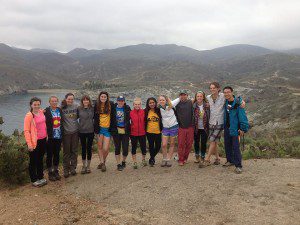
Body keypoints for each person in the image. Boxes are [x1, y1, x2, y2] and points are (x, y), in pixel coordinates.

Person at [201, 82, 245, 167]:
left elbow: (233, 98)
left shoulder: (223, 96)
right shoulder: (208, 98)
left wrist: (242, 101)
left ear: (218, 88)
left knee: (212, 140)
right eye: (211, 88)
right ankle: (218, 159)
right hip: (211, 122)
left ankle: (207, 159)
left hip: (220, 122)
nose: (212, 89)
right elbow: (199, 100)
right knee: (217, 142)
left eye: (214, 88)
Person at [223, 86, 249, 174]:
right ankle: (230, 160)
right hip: (227, 127)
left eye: (228, 92)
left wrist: (242, 128)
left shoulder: (238, 103)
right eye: (225, 92)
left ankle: (238, 166)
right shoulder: (226, 101)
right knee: (227, 145)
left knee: (235, 146)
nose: (226, 94)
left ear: (232, 92)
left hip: (235, 128)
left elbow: (242, 116)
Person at [24, 97, 48, 187]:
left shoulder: (41, 112)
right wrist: (29, 144)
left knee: (40, 159)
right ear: (31, 105)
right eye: (35, 104)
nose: (37, 106)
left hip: (43, 139)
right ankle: (34, 179)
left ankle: (40, 176)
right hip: (34, 141)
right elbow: (26, 130)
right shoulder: (29, 115)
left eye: (38, 104)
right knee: (33, 161)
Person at [94, 91, 115, 172]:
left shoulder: (111, 104)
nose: (103, 98)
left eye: (104, 97)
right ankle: (102, 163)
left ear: (107, 98)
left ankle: (103, 161)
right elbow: (94, 117)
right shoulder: (96, 105)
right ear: (99, 97)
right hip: (99, 129)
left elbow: (113, 115)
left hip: (107, 130)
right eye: (102, 97)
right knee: (99, 146)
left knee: (105, 148)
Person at [110, 95, 131, 171]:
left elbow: (131, 117)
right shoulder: (113, 108)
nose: (121, 102)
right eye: (119, 100)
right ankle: (118, 164)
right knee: (117, 147)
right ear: (117, 101)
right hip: (116, 131)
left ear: (124, 101)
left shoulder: (127, 108)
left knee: (125, 148)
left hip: (125, 131)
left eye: (122, 101)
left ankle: (123, 161)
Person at [158, 95, 180, 167]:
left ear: (166, 100)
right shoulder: (158, 108)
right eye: (160, 100)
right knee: (164, 145)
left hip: (174, 126)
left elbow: (179, 98)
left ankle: (168, 159)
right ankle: (164, 158)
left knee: (172, 144)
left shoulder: (171, 104)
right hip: (165, 128)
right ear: (158, 101)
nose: (162, 101)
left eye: (163, 100)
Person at [45, 96, 63, 181]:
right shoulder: (46, 111)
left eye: (56, 101)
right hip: (50, 136)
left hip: (58, 136)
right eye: (52, 101)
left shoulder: (59, 110)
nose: (54, 102)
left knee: (56, 154)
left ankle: (56, 170)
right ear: (49, 102)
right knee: (49, 155)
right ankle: (50, 172)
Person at [61, 93, 79, 178]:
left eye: (72, 99)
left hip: (75, 132)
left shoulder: (76, 106)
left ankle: (73, 168)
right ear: (65, 99)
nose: (70, 101)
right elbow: (53, 111)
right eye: (69, 99)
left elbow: (84, 109)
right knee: (66, 152)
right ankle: (65, 169)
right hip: (66, 133)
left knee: (74, 151)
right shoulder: (61, 107)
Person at [176, 90, 194, 166]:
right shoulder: (177, 103)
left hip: (190, 127)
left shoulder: (191, 102)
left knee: (189, 144)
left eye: (184, 95)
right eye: (181, 95)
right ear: (179, 96)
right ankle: (180, 159)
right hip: (181, 127)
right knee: (181, 144)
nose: (183, 96)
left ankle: (185, 158)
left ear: (187, 95)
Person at [78, 95, 94, 174]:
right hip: (82, 131)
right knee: (83, 148)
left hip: (90, 131)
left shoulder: (92, 108)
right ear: (82, 101)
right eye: (84, 100)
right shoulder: (79, 109)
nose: (85, 101)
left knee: (89, 148)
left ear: (89, 101)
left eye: (87, 100)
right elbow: (73, 117)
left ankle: (88, 166)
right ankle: (84, 166)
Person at [192, 91, 210, 165]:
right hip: (196, 127)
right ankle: (197, 157)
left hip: (205, 127)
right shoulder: (193, 105)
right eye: (198, 96)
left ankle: (202, 157)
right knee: (196, 142)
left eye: (200, 96)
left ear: (203, 97)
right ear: (196, 97)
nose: (199, 97)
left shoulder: (207, 105)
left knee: (203, 143)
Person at [145, 97, 163, 166]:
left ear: (155, 103)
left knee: (158, 146)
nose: (152, 104)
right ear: (148, 104)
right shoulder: (146, 111)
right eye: (150, 103)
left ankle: (151, 158)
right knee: (151, 146)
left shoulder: (159, 110)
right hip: (149, 132)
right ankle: (152, 159)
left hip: (158, 132)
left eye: (153, 102)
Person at [130, 97, 147, 169]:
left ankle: (143, 160)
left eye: (138, 104)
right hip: (133, 133)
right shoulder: (130, 113)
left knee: (143, 147)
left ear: (140, 105)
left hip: (142, 133)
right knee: (134, 148)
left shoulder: (144, 112)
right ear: (133, 105)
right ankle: (134, 162)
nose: (137, 105)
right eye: (135, 104)